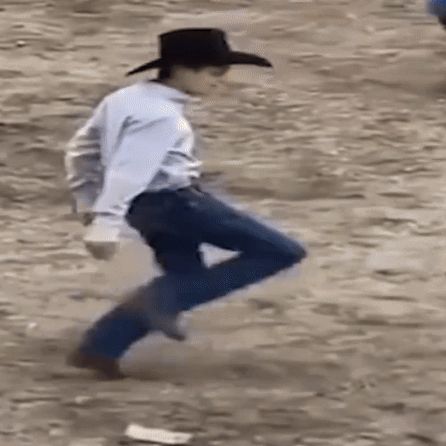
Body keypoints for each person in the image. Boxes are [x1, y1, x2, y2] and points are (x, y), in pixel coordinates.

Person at [64, 28, 307, 379]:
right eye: (215, 72)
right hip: (173, 204)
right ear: (182, 69)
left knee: (186, 278)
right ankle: (123, 324)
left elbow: (81, 151)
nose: (222, 81)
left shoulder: (125, 98)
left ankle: (103, 348)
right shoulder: (161, 117)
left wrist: (87, 198)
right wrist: (104, 221)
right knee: (280, 252)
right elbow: (129, 171)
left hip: (144, 210)